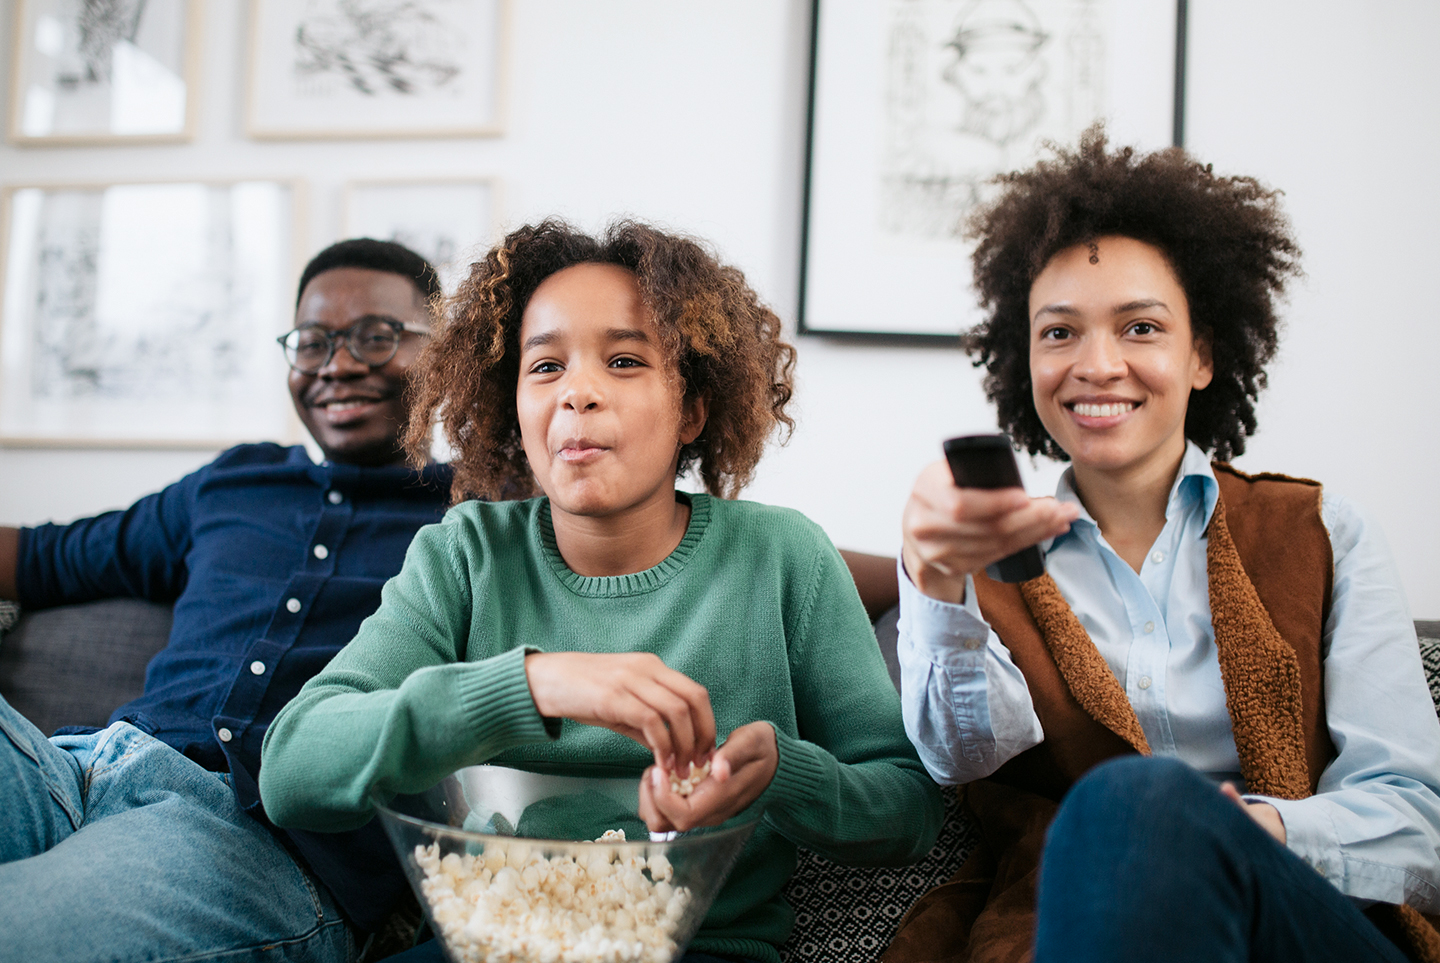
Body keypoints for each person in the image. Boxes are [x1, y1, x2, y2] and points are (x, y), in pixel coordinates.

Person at [259, 219, 944, 963]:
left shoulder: (784, 557)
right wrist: (532, 683)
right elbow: (294, 770)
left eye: (623, 360)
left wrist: (782, 773)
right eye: (545, 367)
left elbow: (906, 810)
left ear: (692, 408)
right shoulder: (462, 555)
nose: (577, 391)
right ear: (508, 404)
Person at [884, 129, 1440, 963]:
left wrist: (1243, 830)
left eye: (1140, 328)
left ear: (1203, 354)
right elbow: (960, 754)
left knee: (1142, 799)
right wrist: (932, 579)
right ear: (1022, 358)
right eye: (1059, 332)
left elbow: (1415, 820)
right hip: (1074, 932)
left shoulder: (1323, 532)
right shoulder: (981, 559)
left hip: (1303, 923)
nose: (1097, 364)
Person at [0, 238, 453, 962]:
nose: (338, 364)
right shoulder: (233, 480)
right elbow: (44, 556)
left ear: (443, 352)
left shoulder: (483, 519)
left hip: (256, 844)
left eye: (376, 336)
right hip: (78, 768)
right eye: (313, 342)